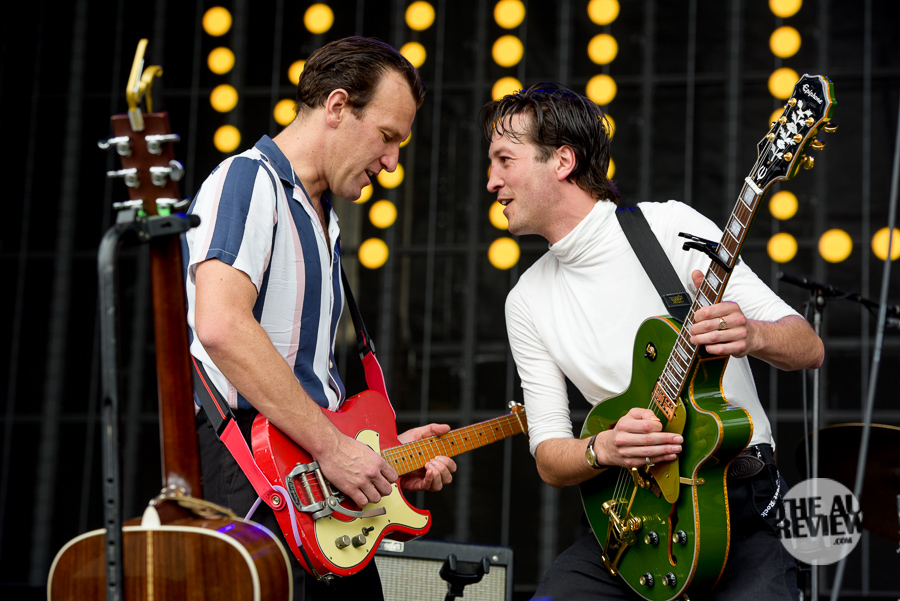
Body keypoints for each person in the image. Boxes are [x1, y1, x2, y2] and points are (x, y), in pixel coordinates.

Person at [481, 83, 824, 600]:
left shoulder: (667, 227)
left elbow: (808, 347)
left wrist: (751, 334)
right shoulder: (526, 300)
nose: (491, 180)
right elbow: (549, 453)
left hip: (737, 503)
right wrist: (602, 447)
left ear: (563, 161)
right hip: (637, 520)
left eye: (505, 160)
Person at [183, 37, 457, 600]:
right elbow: (221, 325)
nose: (392, 162)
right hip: (250, 480)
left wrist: (378, 458)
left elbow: (306, 386)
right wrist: (335, 449)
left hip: (310, 487)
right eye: (387, 136)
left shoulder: (324, 218)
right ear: (337, 106)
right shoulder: (249, 179)